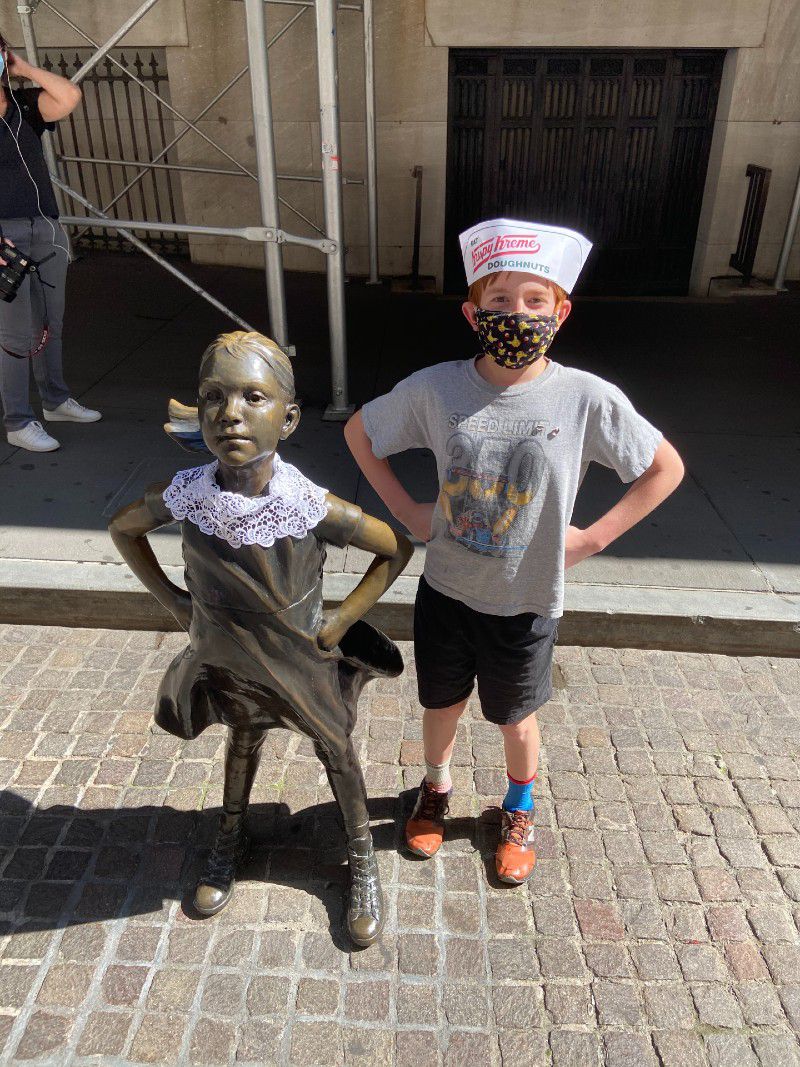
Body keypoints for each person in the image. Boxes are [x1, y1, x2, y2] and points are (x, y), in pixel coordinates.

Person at [344, 218, 685, 885]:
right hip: (446, 592)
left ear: (561, 311)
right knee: (439, 705)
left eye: (535, 301)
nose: (517, 315)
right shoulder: (438, 388)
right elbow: (363, 431)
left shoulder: (586, 398)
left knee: (517, 717)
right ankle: (435, 788)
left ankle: (519, 804)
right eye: (500, 301)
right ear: (473, 313)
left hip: (526, 604)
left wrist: (592, 537)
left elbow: (662, 467)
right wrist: (408, 509)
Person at [109, 331, 413, 947]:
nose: (231, 414)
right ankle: (231, 834)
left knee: (337, 751)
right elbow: (123, 529)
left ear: (289, 417)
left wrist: (339, 620)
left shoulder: (309, 506)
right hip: (224, 652)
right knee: (242, 739)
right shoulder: (189, 494)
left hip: (299, 658)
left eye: (254, 397)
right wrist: (174, 602)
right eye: (214, 396)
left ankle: (362, 860)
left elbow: (396, 548)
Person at [0, 32, 100, 452]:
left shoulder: (23, 105)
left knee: (50, 325)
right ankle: (18, 421)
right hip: (5, 235)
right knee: (16, 335)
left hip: (45, 228)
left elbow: (69, 95)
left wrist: (20, 68)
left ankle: (55, 400)